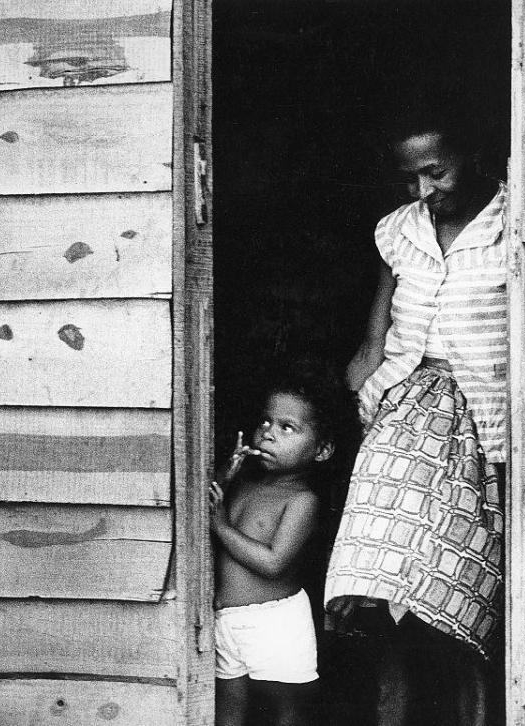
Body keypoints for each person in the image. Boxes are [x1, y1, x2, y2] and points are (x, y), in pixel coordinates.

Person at [324, 98, 506, 726]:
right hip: (406, 406)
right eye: (410, 178)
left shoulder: (518, 221)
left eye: (437, 172)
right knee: (377, 580)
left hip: (490, 416)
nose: (423, 190)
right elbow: (376, 333)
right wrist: (354, 392)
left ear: (475, 158)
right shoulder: (397, 229)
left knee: (462, 590)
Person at [211, 364, 349, 726]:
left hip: (275, 622)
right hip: (227, 620)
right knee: (228, 710)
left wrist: (220, 526)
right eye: (266, 423)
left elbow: (274, 562)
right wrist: (227, 471)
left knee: (286, 711)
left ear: (321, 450)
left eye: (287, 428)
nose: (268, 434)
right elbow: (211, 497)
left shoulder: (302, 499)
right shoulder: (245, 483)